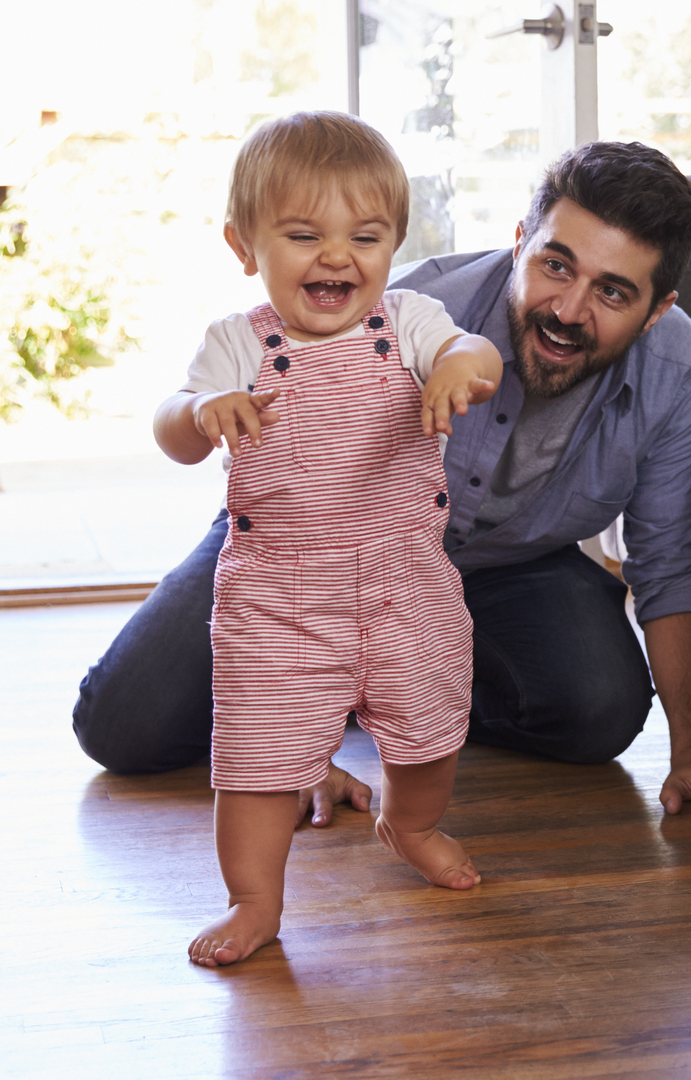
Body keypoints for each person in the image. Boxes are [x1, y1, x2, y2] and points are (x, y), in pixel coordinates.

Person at [72, 136, 691, 854]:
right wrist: (294, 739)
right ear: (519, 241)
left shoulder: (677, 373)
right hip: (303, 553)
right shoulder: (403, 306)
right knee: (124, 726)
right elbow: (218, 415)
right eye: (555, 266)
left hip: (514, 565)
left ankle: (399, 693)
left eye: (612, 292)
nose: (568, 309)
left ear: (655, 309)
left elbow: (671, 558)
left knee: (599, 715)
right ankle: (329, 694)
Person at [163, 111, 504, 967]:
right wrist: (203, 415)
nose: (336, 256)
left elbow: (476, 351)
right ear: (245, 246)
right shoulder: (239, 343)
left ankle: (409, 821)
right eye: (303, 234)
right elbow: (170, 424)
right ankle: (254, 901)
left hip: (405, 585)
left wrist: (465, 364)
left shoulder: (413, 322)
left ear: (393, 243)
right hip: (279, 597)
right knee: (257, 762)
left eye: (365, 235)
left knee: (430, 733)